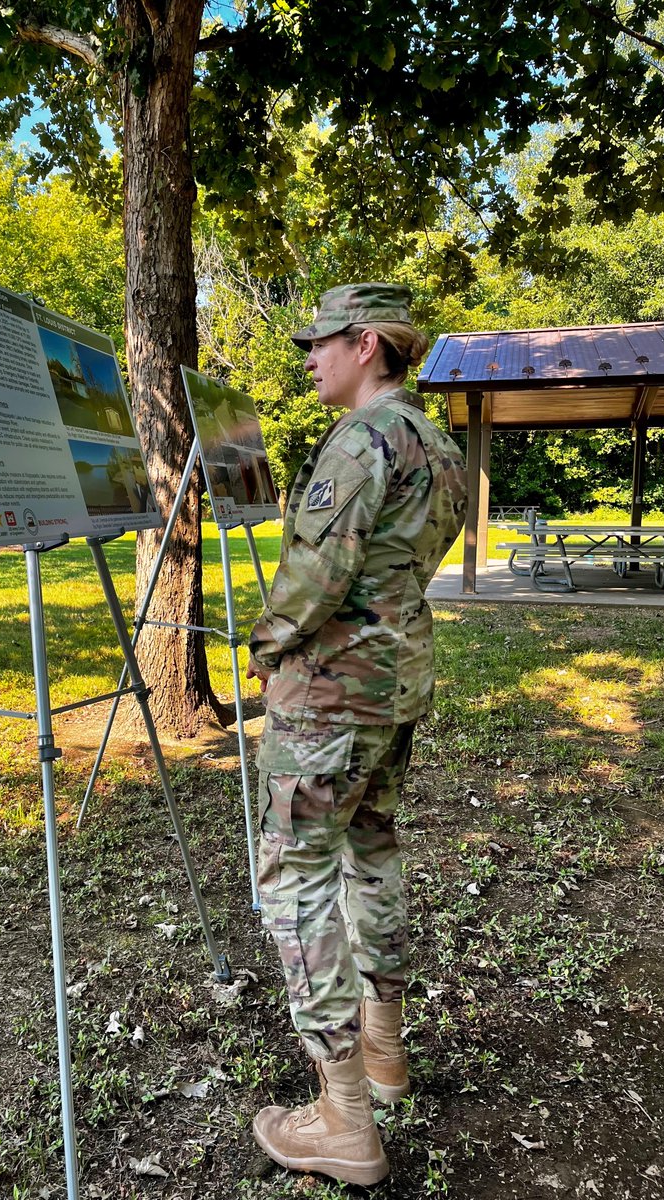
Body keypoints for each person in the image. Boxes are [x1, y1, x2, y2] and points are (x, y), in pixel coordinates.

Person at [246, 283, 468, 1186]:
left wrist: (263, 644)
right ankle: (383, 1054)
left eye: (321, 341)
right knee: (371, 849)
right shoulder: (442, 445)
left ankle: (343, 1118)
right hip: (395, 685)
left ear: (367, 343)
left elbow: (316, 574)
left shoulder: (363, 439)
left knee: (293, 878)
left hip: (331, 696)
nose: (308, 356)